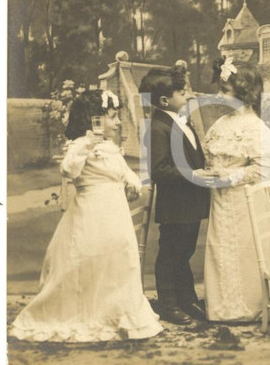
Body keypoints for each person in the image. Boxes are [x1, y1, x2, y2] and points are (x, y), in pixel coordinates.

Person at [8, 90, 163, 342]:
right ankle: (83, 315)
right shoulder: (80, 145)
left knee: (120, 263)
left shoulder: (111, 148)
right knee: (87, 262)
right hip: (90, 215)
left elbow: (123, 172)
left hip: (115, 217)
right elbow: (68, 170)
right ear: (94, 121)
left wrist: (132, 183)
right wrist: (88, 143)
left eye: (116, 117)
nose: (117, 122)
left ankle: (116, 315)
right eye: (112, 117)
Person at [203, 60, 270, 322]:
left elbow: (261, 171)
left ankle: (247, 304)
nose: (220, 96)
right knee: (221, 248)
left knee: (244, 249)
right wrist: (212, 172)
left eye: (225, 90)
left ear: (245, 93)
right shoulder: (220, 123)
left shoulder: (255, 127)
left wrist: (228, 177)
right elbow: (210, 157)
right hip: (220, 200)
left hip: (244, 199)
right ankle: (223, 306)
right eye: (221, 89)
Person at [139, 66, 213, 325]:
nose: (189, 96)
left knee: (184, 251)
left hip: (189, 204)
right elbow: (160, 170)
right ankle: (168, 304)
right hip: (176, 206)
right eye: (183, 93)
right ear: (164, 101)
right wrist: (195, 175)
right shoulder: (158, 128)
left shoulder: (180, 122)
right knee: (171, 253)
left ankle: (187, 298)